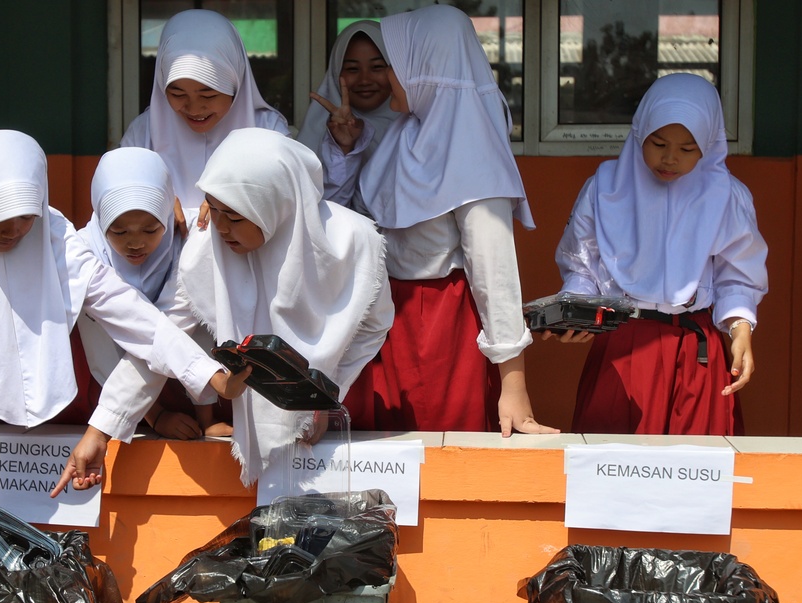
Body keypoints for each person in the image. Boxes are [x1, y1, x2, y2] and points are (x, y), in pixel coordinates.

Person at [0, 130, 247, 492]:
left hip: (55, 402)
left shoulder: (57, 243)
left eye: (26, 215)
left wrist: (211, 376)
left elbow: (137, 319)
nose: (14, 230)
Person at [347, 4, 554, 436]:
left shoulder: (474, 153)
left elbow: (494, 274)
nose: (387, 77)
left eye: (396, 64)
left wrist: (512, 383)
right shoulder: (404, 134)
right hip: (382, 320)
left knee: (433, 448)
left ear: (428, 69)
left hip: (437, 324)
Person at [167, 128, 393, 485]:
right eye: (217, 208)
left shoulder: (353, 241)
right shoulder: (206, 246)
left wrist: (326, 393)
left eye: (236, 216)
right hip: (239, 417)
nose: (222, 228)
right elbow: (166, 334)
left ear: (277, 204)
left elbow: (375, 325)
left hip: (336, 416)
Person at [552, 72, 769, 436]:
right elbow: (582, 264)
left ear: (709, 144)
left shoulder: (726, 196)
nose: (669, 159)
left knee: (696, 473)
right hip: (624, 347)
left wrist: (741, 329)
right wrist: (575, 310)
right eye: (657, 143)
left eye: (687, 149)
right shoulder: (605, 188)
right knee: (616, 468)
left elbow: (738, 273)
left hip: (696, 352)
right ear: (639, 132)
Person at [75, 147, 227, 441]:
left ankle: (203, 417)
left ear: (170, 213)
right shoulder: (84, 251)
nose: (135, 244)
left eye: (150, 229)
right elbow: (113, 345)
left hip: (184, 371)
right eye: (119, 232)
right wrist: (155, 416)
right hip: (116, 391)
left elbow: (170, 330)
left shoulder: (194, 235)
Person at [121, 9, 287, 226]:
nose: (194, 108)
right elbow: (117, 203)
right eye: (177, 94)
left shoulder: (269, 131)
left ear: (236, 84)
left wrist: (240, 199)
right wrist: (148, 203)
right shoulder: (142, 133)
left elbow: (292, 202)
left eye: (209, 94)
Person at [297, 19, 399, 203]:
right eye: (352, 69)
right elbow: (319, 212)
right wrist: (342, 148)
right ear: (336, 72)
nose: (365, 79)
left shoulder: (417, 130)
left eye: (377, 67)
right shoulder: (315, 136)